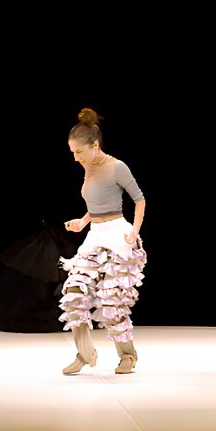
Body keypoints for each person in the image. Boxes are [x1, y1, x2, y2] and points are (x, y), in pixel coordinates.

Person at [59, 108, 147, 375]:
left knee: (112, 302)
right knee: (74, 294)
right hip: (94, 236)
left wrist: (134, 232)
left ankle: (128, 356)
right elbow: (98, 203)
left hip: (117, 235)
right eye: (73, 152)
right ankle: (85, 354)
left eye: (79, 152)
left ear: (94, 146)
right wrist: (82, 221)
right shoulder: (88, 166)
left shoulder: (116, 166)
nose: (75, 158)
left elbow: (139, 199)